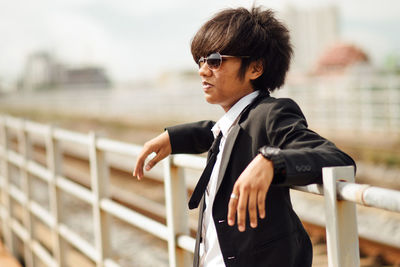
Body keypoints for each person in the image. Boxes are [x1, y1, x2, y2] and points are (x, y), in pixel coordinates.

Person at [134, 6, 355, 267]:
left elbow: (335, 158)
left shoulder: (273, 112)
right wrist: (175, 137)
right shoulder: (233, 125)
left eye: (215, 60)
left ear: (255, 68)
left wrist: (272, 162)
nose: (203, 71)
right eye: (201, 61)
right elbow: (223, 134)